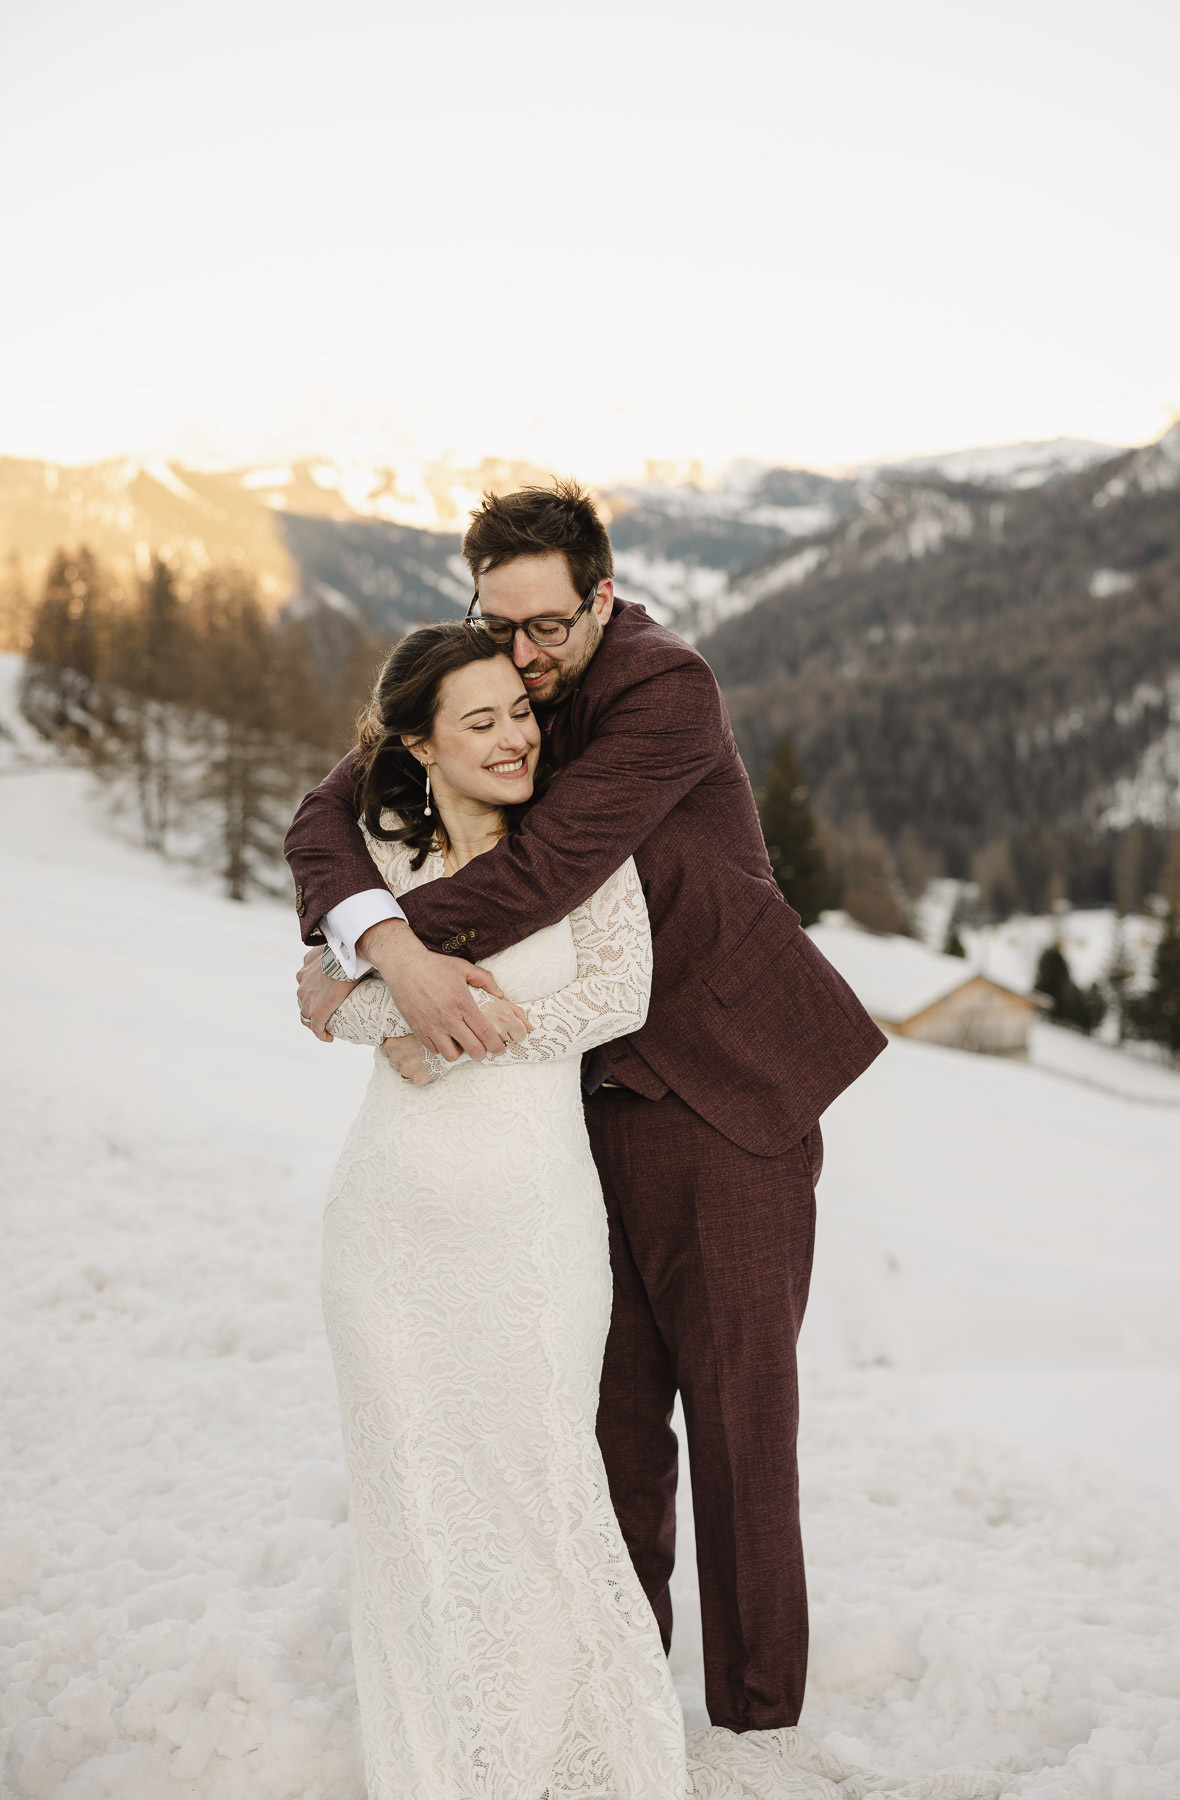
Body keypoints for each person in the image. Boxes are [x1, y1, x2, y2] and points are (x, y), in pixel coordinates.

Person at [287, 479, 886, 1737]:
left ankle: (756, 1726)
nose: (520, 657)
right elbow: (322, 812)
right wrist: (380, 948)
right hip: (577, 1113)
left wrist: (371, 970)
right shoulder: (497, 685)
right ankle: (620, 1706)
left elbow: (549, 871)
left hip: (727, 1088)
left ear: (604, 599)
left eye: (546, 628)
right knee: (607, 1426)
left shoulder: (666, 691)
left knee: (739, 1426)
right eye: (496, 624)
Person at [319, 624, 691, 1795]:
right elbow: (322, 998)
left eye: (519, 713)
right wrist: (401, 1006)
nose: (514, 737)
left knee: (536, 1478)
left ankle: (566, 1757)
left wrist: (449, 1032)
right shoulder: (381, 860)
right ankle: (439, 1760)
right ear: (419, 746)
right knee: (413, 1490)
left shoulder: (577, 847)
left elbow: (619, 993)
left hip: (529, 1219)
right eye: (479, 722)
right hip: (387, 1223)